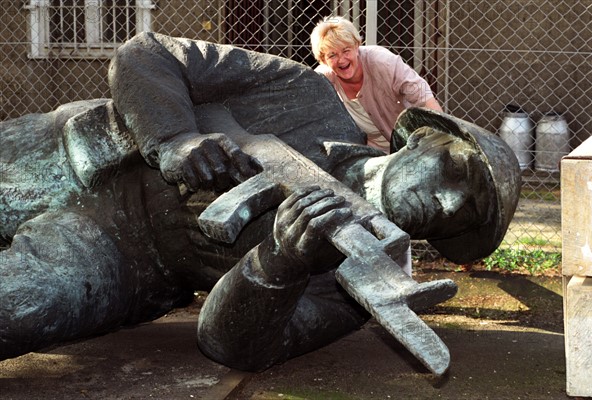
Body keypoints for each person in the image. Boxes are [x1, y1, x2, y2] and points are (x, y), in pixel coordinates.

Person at [0, 32, 520, 372]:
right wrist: (174, 137)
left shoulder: (365, 280)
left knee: (19, 307)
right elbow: (145, 53)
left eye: (465, 214)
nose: (449, 204)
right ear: (419, 140)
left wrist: (280, 265)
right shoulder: (304, 94)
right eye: (455, 172)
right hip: (73, 155)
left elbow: (235, 347)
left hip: (118, 264)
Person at [311, 16, 443, 153]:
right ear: (323, 60)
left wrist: (444, 140)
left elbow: (423, 96)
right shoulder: (322, 79)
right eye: (332, 55)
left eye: (346, 50)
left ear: (357, 46)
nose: (341, 60)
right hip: (364, 154)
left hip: (409, 146)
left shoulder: (383, 62)